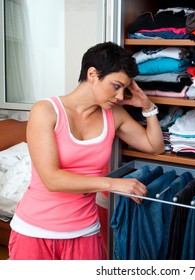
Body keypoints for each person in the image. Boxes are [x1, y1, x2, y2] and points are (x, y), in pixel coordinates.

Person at [8, 41, 165, 260]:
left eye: (124, 89)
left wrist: (148, 108)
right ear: (93, 74)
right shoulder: (46, 111)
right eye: (116, 86)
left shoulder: (114, 116)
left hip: (84, 232)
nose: (120, 96)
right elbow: (52, 179)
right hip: (35, 231)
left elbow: (155, 146)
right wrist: (114, 184)